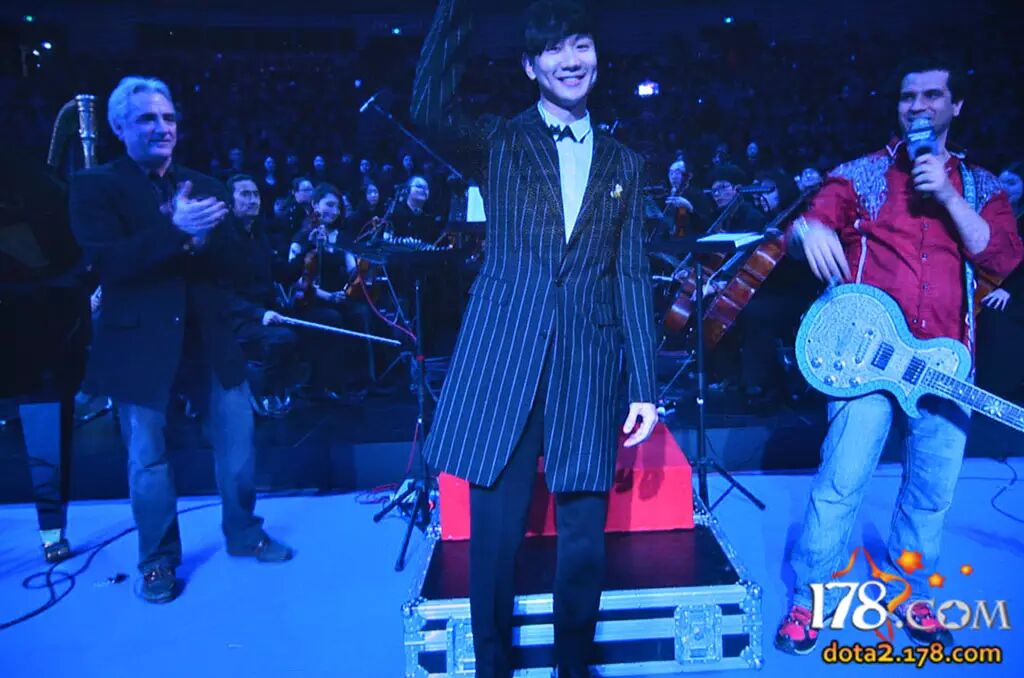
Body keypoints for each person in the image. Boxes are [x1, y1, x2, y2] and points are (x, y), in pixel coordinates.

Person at [412, 2, 658, 676]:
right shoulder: (498, 141)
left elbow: (631, 273)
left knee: (583, 540)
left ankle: (572, 666)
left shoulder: (625, 163)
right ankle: (493, 665)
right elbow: (428, 106)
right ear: (529, 66)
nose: (570, 60)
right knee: (494, 536)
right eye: (553, 49)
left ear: (597, 57)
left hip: (588, 363)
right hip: (504, 357)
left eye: (580, 44)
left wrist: (644, 384)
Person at [776, 57, 1022, 654]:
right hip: (865, 362)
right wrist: (808, 232)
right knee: (841, 480)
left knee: (931, 492)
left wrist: (949, 197)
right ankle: (811, 595)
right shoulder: (859, 175)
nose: (918, 105)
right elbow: (804, 227)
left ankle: (911, 589)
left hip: (947, 363)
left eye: (933, 95)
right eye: (908, 96)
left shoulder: (983, 186)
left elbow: (1001, 258)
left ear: (955, 107)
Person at [69, 76, 294, 605]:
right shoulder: (95, 186)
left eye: (168, 118)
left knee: (237, 447)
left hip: (209, 338)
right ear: (119, 126)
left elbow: (239, 268)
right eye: (147, 118)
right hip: (140, 346)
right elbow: (108, 263)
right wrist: (176, 231)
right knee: (148, 459)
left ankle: (243, 531)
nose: (162, 127)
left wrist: (208, 237)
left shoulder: (206, 185)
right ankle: (157, 560)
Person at [207, 174, 298, 417]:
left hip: (260, 310)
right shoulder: (220, 239)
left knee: (311, 323)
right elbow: (221, 294)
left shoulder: (258, 235)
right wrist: (259, 313)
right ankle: (261, 391)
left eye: (256, 194)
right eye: (245, 194)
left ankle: (289, 386)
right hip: (233, 317)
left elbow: (280, 272)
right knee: (282, 337)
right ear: (230, 202)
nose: (253, 200)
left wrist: (306, 252)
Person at [975, 161, 1024, 404]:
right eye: (1001, 181)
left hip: (1014, 290)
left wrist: (1008, 289)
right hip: (987, 280)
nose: (1004, 187)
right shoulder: (992, 212)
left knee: (995, 316)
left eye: (1012, 182)